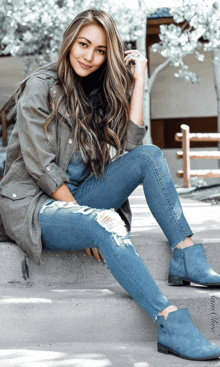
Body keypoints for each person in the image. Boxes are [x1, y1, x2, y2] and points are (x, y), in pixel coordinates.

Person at [0, 8, 220, 361]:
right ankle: (170, 321)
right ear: (70, 42)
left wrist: (140, 79)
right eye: (84, 44)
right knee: (105, 221)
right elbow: (41, 167)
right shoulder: (40, 87)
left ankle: (186, 253)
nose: (89, 56)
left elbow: (131, 146)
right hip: (33, 205)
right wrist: (86, 219)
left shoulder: (96, 94)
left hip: (78, 197)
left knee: (149, 156)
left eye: (100, 50)